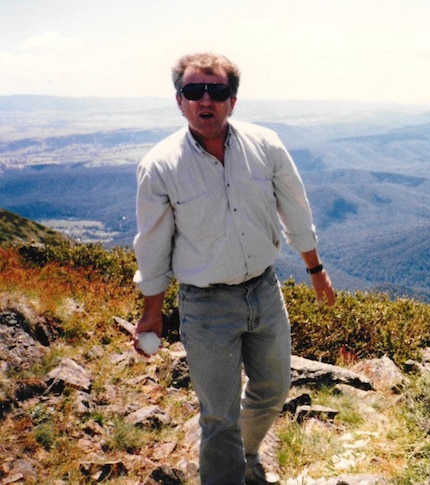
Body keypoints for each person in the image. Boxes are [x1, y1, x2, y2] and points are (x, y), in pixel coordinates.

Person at [132, 52, 336, 485]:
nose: (206, 101)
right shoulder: (161, 166)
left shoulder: (266, 146)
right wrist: (153, 309)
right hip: (204, 303)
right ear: (179, 100)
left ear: (233, 100)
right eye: (194, 92)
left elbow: (296, 211)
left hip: (264, 289)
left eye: (217, 91)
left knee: (274, 388)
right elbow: (153, 245)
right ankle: (226, 470)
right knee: (218, 414)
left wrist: (315, 269)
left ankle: (244, 453)